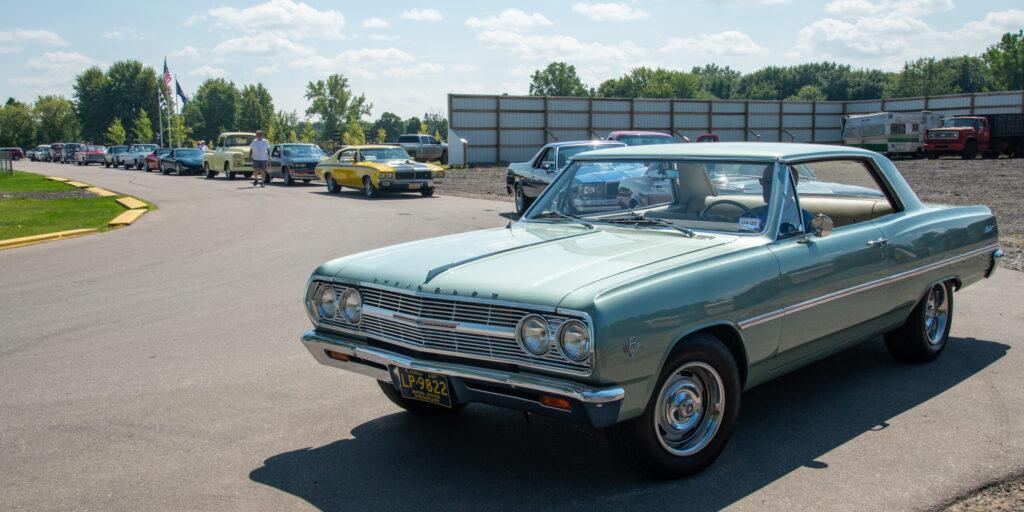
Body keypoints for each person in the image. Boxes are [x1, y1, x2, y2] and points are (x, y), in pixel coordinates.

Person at [739, 165, 813, 236]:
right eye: (763, 181)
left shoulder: (805, 220)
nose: (764, 186)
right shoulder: (752, 216)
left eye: (771, 182)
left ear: (791, 188)